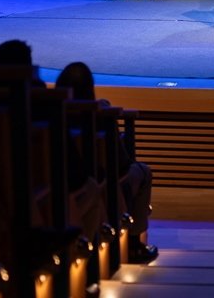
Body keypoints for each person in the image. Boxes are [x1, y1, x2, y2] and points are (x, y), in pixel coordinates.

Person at [55, 62, 159, 265]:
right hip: (96, 185)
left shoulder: (45, 113)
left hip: (54, 185)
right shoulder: (101, 112)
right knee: (142, 172)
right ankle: (134, 246)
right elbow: (122, 165)